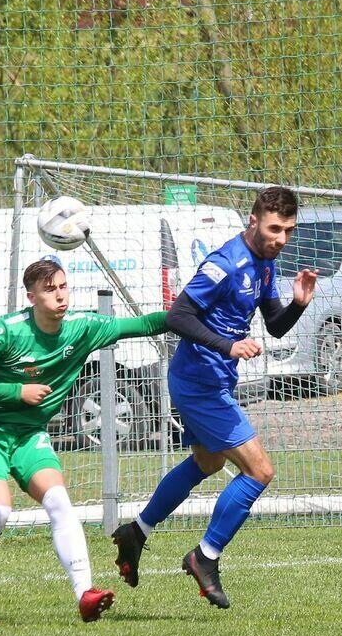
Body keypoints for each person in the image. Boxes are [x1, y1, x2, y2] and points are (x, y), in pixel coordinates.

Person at [110, 186, 317, 608]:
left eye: (288, 231)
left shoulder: (264, 264)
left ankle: (137, 532)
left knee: (208, 462)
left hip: (211, 382)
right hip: (198, 384)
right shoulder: (225, 263)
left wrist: (298, 304)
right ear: (253, 220)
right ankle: (205, 556)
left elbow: (275, 325)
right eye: (274, 229)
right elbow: (178, 316)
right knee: (259, 471)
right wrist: (228, 345)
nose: (281, 238)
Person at [0, 259, 169, 625]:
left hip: (28, 435)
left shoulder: (82, 327)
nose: (60, 295)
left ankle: (85, 594)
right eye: (50, 290)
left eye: (63, 286)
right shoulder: (8, 331)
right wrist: (17, 392)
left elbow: (144, 325)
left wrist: (192, 312)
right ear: (31, 296)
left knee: (60, 502)